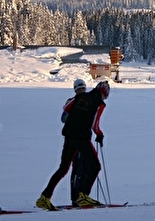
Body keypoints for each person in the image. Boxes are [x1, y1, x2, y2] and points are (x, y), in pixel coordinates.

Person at [36, 81, 110, 211]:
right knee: (95, 166)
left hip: (69, 137)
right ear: (104, 93)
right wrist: (99, 135)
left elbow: (66, 109)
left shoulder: (78, 97)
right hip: (82, 138)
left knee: (63, 168)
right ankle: (83, 195)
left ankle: (44, 197)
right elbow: (95, 124)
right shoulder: (100, 104)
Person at [61, 79, 89, 207]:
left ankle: (82, 197)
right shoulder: (71, 101)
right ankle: (75, 198)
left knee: (85, 169)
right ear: (75, 90)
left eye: (83, 89)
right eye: (79, 89)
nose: (81, 91)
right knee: (77, 169)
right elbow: (63, 118)